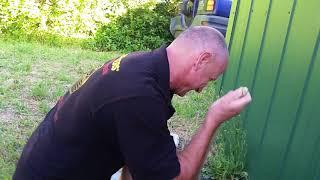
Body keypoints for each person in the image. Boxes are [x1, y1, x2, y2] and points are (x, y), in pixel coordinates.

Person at [13, 26, 251, 180]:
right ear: (201, 59)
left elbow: (134, 152)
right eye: (208, 79)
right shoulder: (139, 96)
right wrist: (213, 119)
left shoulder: (144, 66)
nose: (201, 89)